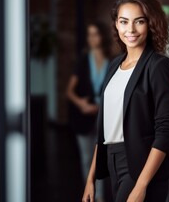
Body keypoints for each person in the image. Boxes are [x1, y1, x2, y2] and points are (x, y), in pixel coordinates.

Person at [82, 0, 169, 202]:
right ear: (116, 25)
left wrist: (142, 185)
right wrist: (91, 180)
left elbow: (166, 130)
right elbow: (104, 128)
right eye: (124, 22)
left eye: (139, 21)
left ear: (150, 24)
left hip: (143, 165)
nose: (130, 29)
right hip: (113, 161)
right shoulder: (115, 65)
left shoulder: (158, 65)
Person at [66, 21, 111, 202]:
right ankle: (91, 195)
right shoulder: (83, 60)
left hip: (104, 118)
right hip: (83, 117)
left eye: (95, 34)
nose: (92, 38)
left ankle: (99, 197)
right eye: (89, 35)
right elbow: (69, 91)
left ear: (102, 36)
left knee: (101, 159)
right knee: (86, 159)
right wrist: (82, 104)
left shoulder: (112, 59)